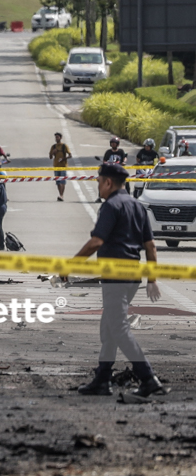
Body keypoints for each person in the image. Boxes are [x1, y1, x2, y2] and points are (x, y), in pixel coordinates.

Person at [71, 162, 166, 399]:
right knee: (110, 326)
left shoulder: (111, 206)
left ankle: (148, 378)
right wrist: (151, 279)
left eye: (98, 181)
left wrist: (70, 266)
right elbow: (151, 247)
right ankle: (102, 379)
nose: (98, 186)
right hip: (132, 276)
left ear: (108, 182)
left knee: (118, 327)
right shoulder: (137, 206)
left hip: (115, 276)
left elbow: (96, 242)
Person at [49, 131, 72, 201]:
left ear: (60, 138)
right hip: (56, 166)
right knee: (58, 182)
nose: (56, 138)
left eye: (57, 137)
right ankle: (60, 194)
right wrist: (53, 153)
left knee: (62, 181)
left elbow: (70, 155)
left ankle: (61, 195)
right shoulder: (53, 147)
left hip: (63, 166)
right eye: (55, 137)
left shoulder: (64, 146)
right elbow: (50, 157)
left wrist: (63, 159)